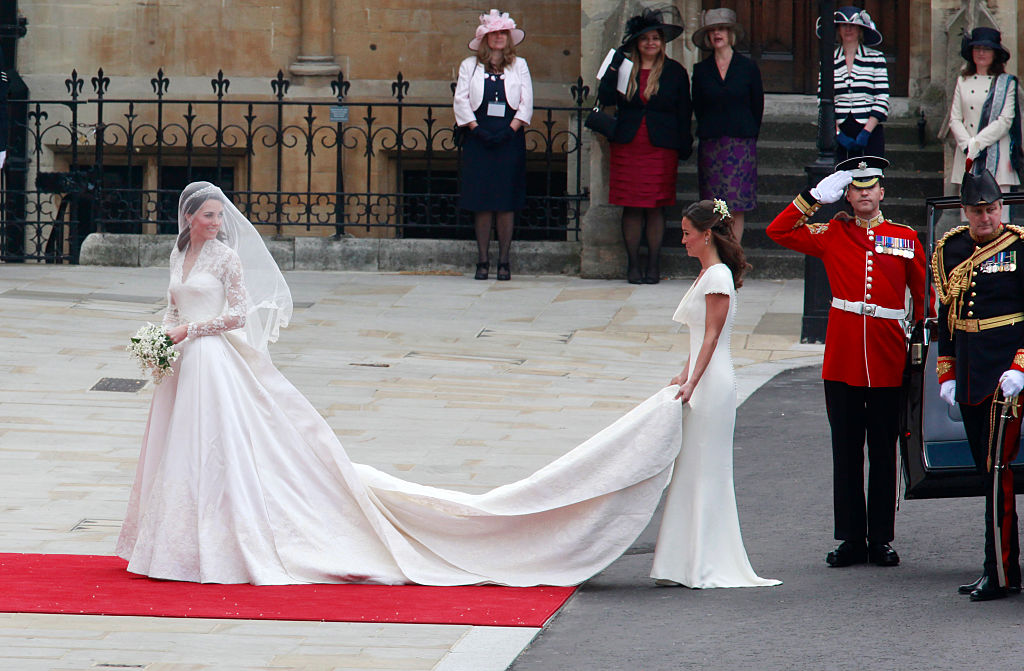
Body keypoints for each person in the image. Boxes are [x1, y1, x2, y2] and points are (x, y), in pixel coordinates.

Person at [116, 182, 780, 588]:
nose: (213, 223)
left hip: (212, 359)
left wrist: (192, 334)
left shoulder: (229, 255)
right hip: (185, 365)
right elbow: (178, 303)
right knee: (184, 453)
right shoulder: (180, 252)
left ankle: (703, 556)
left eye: (214, 216)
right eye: (203, 216)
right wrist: (165, 336)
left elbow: (238, 311)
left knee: (704, 471)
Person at [766, 157, 928, 568]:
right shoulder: (833, 232)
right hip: (842, 359)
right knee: (846, 450)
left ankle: (881, 539)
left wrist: (924, 347)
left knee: (883, 451)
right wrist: (813, 199)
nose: (864, 194)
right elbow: (778, 230)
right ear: (847, 193)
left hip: (888, 355)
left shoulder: (905, 238)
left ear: (882, 192)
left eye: (870, 186)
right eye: (855, 188)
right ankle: (853, 538)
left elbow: (924, 297)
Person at [651, 199, 779, 588]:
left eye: (688, 233)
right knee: (690, 469)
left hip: (714, 384)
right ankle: (681, 563)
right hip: (702, 378)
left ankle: (706, 562)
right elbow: (698, 339)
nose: (684, 240)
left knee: (707, 470)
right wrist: (684, 373)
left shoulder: (718, 277)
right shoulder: (707, 273)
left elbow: (711, 336)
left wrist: (693, 380)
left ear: (707, 234)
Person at [933, 168, 1024, 601]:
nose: (985, 218)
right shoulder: (950, 249)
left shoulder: (1020, 248)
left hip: (1005, 379)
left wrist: (1021, 367)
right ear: (964, 211)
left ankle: (1001, 571)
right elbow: (947, 321)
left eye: (991, 209)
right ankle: (999, 566)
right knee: (985, 474)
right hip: (970, 376)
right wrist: (947, 373)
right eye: (976, 210)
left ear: (1000, 208)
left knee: (997, 473)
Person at [598, 7, 692, 284]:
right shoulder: (625, 69)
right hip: (628, 145)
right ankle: (633, 265)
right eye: (645, 39)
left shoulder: (675, 72)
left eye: (655, 38)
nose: (651, 43)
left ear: (662, 43)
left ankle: (653, 264)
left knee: (655, 207)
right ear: (636, 44)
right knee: (632, 206)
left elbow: (684, 112)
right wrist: (613, 65)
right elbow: (605, 98)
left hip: (660, 147)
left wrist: (684, 144)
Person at [453, 9, 533, 282]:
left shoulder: (519, 65)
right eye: (493, 34)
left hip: (509, 138)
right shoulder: (469, 65)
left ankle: (504, 260)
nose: (498, 38)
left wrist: (511, 130)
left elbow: (526, 101)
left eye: (502, 33)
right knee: (483, 200)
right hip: (479, 138)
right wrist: (476, 129)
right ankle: (483, 259)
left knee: (505, 200)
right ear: (485, 38)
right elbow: (461, 99)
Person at [690, 9, 763, 242]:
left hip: (740, 143)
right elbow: (699, 107)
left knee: (736, 204)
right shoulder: (701, 70)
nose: (716, 34)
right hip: (712, 145)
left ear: (730, 34)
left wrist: (747, 132)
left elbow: (756, 106)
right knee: (717, 205)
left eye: (721, 29)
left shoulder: (748, 67)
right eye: (711, 31)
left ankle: (733, 254)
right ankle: (719, 253)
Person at [947, 27, 1020, 223]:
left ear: (995, 53)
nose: (981, 53)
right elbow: (954, 118)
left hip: (997, 157)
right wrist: (967, 145)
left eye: (986, 49)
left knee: (998, 219)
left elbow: (1005, 120)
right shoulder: (963, 80)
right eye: (977, 48)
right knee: (970, 217)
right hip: (968, 156)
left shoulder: (1007, 83)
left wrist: (976, 143)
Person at [817, 6, 889, 161]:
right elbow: (822, 99)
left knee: (870, 180)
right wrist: (837, 133)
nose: (848, 29)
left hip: (870, 130)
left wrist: (866, 132)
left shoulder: (876, 58)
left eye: (853, 26)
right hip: (840, 131)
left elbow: (882, 97)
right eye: (844, 25)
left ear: (860, 30)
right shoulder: (828, 60)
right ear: (838, 30)